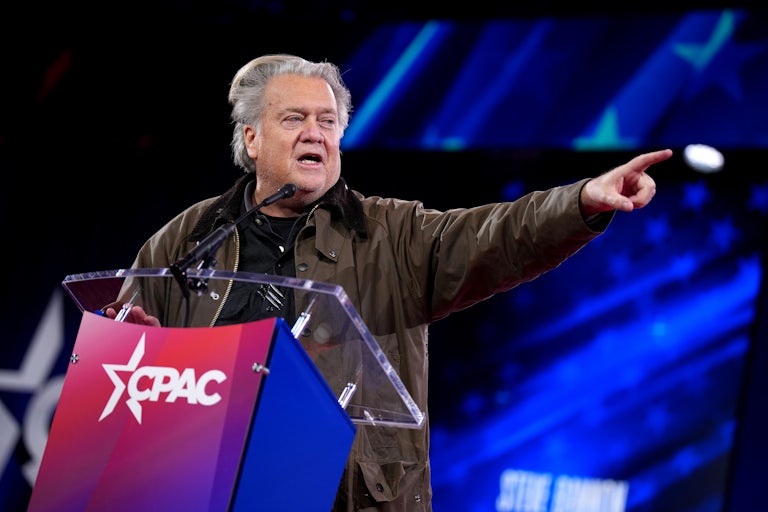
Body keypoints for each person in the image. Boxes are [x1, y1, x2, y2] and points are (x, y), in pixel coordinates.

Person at [105, 53, 673, 511]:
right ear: (252, 140)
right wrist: (132, 346)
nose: (315, 134)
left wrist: (580, 201)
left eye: (328, 122)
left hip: (349, 498)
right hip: (210, 489)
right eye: (294, 119)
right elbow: (125, 359)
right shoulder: (188, 238)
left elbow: (497, 236)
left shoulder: (390, 234)